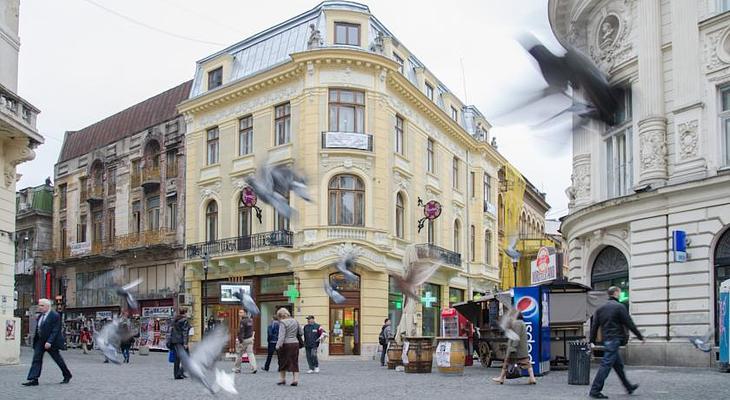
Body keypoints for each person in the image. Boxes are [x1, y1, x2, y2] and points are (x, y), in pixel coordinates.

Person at [589, 286, 644, 399]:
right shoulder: (619, 307)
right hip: (614, 339)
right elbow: (629, 323)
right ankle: (595, 390)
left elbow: (594, 326)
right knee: (606, 365)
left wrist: (592, 340)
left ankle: (628, 387)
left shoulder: (600, 308)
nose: (620, 294)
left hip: (607, 340)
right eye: (619, 292)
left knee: (618, 365)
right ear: (615, 293)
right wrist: (639, 336)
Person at [22, 298, 72, 386]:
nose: (39, 307)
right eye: (39, 305)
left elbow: (55, 330)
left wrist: (49, 341)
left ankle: (67, 375)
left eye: (42, 305)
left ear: (48, 306)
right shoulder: (40, 316)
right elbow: (39, 329)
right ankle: (33, 379)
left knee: (58, 359)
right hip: (40, 342)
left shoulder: (55, 315)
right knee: (36, 359)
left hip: (51, 342)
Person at [491, 311, 537, 385]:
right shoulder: (522, 323)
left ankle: (501, 378)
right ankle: (532, 378)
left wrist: (513, 348)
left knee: (506, 362)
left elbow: (515, 336)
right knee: (526, 362)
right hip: (522, 348)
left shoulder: (517, 323)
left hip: (516, 348)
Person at [275, 308, 302, 386]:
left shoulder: (282, 323)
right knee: (294, 361)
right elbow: (301, 332)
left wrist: (278, 345)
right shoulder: (295, 321)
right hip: (295, 343)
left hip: (285, 344)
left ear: (280, 315)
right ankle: (295, 380)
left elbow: (281, 336)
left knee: (282, 361)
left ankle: (282, 379)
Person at [169, 308, 190, 380]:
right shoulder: (185, 320)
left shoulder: (175, 319)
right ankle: (180, 372)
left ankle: (176, 374)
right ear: (185, 313)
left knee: (177, 358)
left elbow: (171, 331)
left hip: (174, 341)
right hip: (181, 341)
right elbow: (185, 332)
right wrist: (185, 343)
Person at [233, 309, 257, 374]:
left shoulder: (242, 321)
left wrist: (240, 341)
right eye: (239, 312)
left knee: (239, 354)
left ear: (245, 313)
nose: (239, 313)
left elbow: (241, 332)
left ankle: (237, 369)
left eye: (241, 312)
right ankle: (254, 367)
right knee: (250, 353)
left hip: (244, 340)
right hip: (250, 339)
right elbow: (251, 330)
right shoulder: (250, 320)